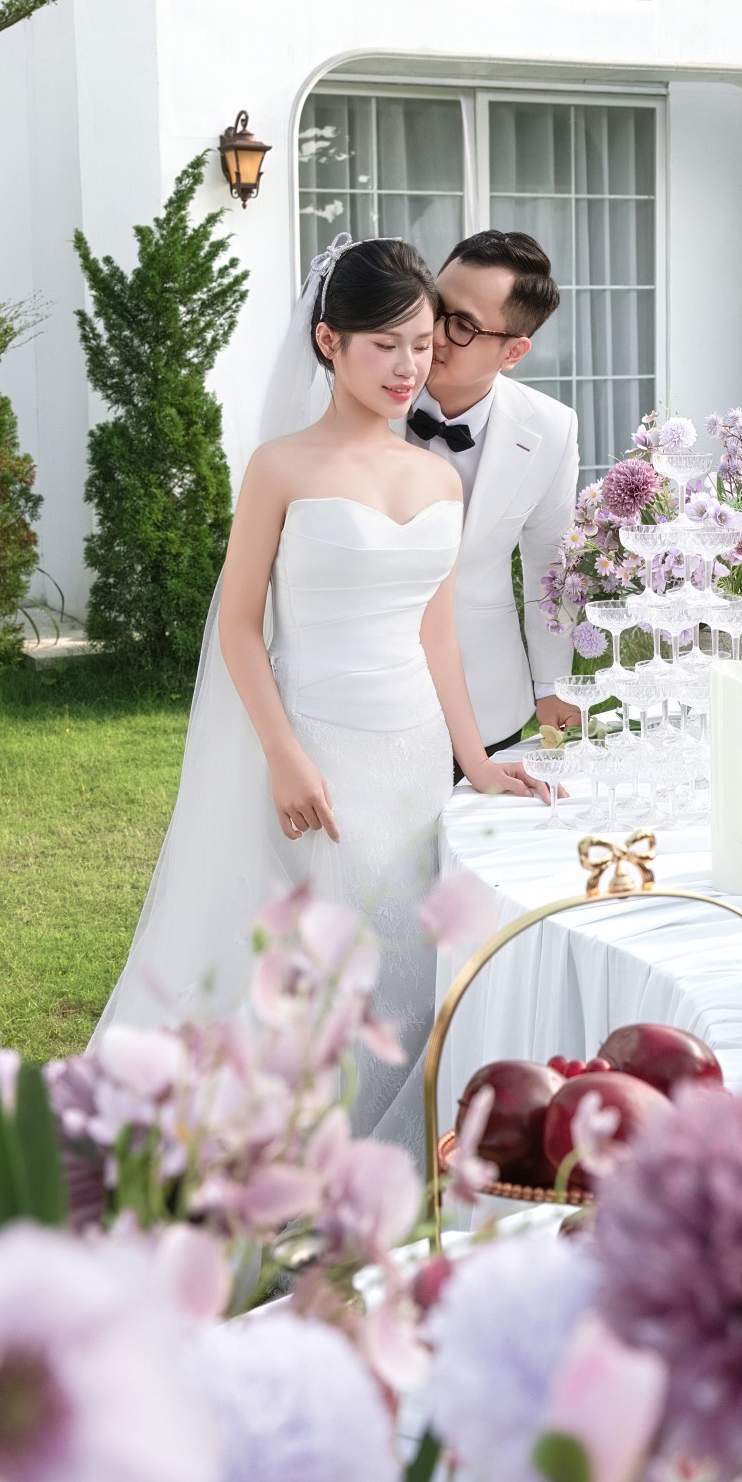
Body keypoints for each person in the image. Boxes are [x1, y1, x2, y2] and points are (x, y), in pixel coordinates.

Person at [94, 235, 547, 1158]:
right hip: (315, 746)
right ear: (328, 341)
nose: (407, 367)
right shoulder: (281, 467)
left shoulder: (435, 476)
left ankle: (371, 1159)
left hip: (412, 757)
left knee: (399, 962)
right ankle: (266, 1155)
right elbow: (238, 625)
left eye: (421, 344)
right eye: (384, 345)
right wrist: (283, 753)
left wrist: (474, 761)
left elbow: (436, 635)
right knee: (305, 963)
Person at [405, 230, 581, 759]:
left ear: (514, 351)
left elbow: (550, 566)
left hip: (486, 692)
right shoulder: (359, 401)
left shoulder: (552, 429)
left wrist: (551, 685)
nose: (434, 333)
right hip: (366, 696)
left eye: (461, 325)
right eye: (435, 306)